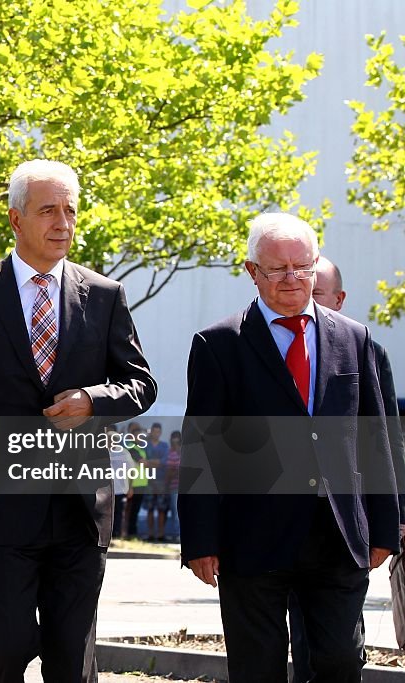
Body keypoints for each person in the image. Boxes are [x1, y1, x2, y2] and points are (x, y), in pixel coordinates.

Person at [0, 159, 157, 682]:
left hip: (79, 505)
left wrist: (93, 400)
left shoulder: (105, 296)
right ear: (15, 219)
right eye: (48, 210)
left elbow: (142, 385)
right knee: (9, 643)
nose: (63, 223)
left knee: (71, 659)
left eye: (71, 211)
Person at [178, 213, 400, 683]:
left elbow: (374, 434)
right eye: (277, 268)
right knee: (257, 665)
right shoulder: (219, 344)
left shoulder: (352, 337)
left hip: (337, 533)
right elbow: (202, 447)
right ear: (252, 271)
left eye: (302, 266)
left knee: (339, 659)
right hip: (251, 536)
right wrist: (200, 539)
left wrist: (385, 523)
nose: (292, 278)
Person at [286, 255, 405, 682]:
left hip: (343, 527)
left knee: (338, 648)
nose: (302, 299)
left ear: (339, 299)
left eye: (316, 293)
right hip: (280, 525)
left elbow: (385, 440)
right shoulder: (267, 343)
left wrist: (392, 520)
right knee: (303, 643)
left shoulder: (367, 349)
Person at [143, 423, 170, 542]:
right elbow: (144, 462)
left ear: (160, 432)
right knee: (149, 508)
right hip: (148, 480)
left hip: (161, 480)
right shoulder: (146, 445)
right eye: (154, 431)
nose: (156, 433)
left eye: (158, 432)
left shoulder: (164, 446)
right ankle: (150, 534)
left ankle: (160, 534)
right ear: (151, 432)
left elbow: (164, 462)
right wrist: (155, 462)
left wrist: (151, 462)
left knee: (161, 508)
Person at [125, 422, 150, 540]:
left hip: (142, 483)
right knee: (131, 510)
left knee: (135, 510)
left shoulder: (140, 449)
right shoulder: (130, 448)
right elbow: (143, 462)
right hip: (134, 484)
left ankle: (132, 532)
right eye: (137, 435)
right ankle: (130, 533)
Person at [162, 431, 182, 541]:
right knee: (176, 512)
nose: (175, 442)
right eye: (173, 440)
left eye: (177, 440)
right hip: (173, 487)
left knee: (182, 511)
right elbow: (169, 472)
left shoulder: (185, 452)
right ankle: (177, 534)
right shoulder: (170, 453)